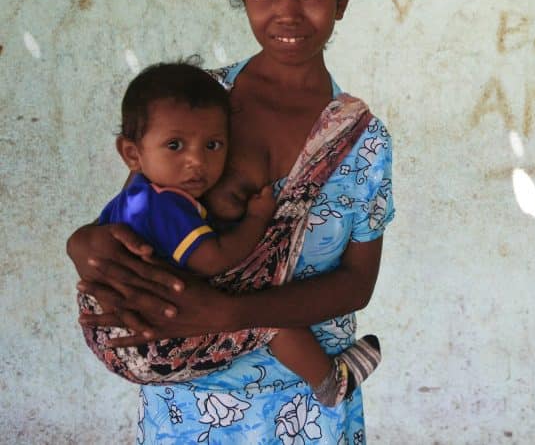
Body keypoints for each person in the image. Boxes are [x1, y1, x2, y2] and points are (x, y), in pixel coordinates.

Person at [67, 0, 395, 444]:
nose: (286, 13)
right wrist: (83, 243)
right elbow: (140, 207)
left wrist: (231, 311)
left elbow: (357, 283)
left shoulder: (362, 141)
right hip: (191, 404)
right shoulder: (194, 102)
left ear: (342, 1)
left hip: (308, 403)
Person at [83, 60, 380, 407]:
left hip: (129, 332)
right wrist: (257, 219)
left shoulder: (138, 194)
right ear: (132, 153)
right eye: (175, 146)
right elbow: (213, 260)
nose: (196, 161)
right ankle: (330, 381)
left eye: (212, 146)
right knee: (271, 317)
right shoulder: (164, 204)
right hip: (148, 339)